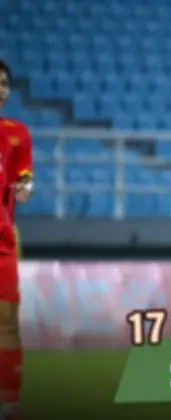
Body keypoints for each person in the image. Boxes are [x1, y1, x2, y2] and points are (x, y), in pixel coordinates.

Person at [0, 59, 33, 420]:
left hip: (1, 242)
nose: (2, 89)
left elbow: (23, 176)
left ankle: (10, 402)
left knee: (6, 322)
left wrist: (25, 185)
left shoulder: (16, 133)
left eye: (5, 84)